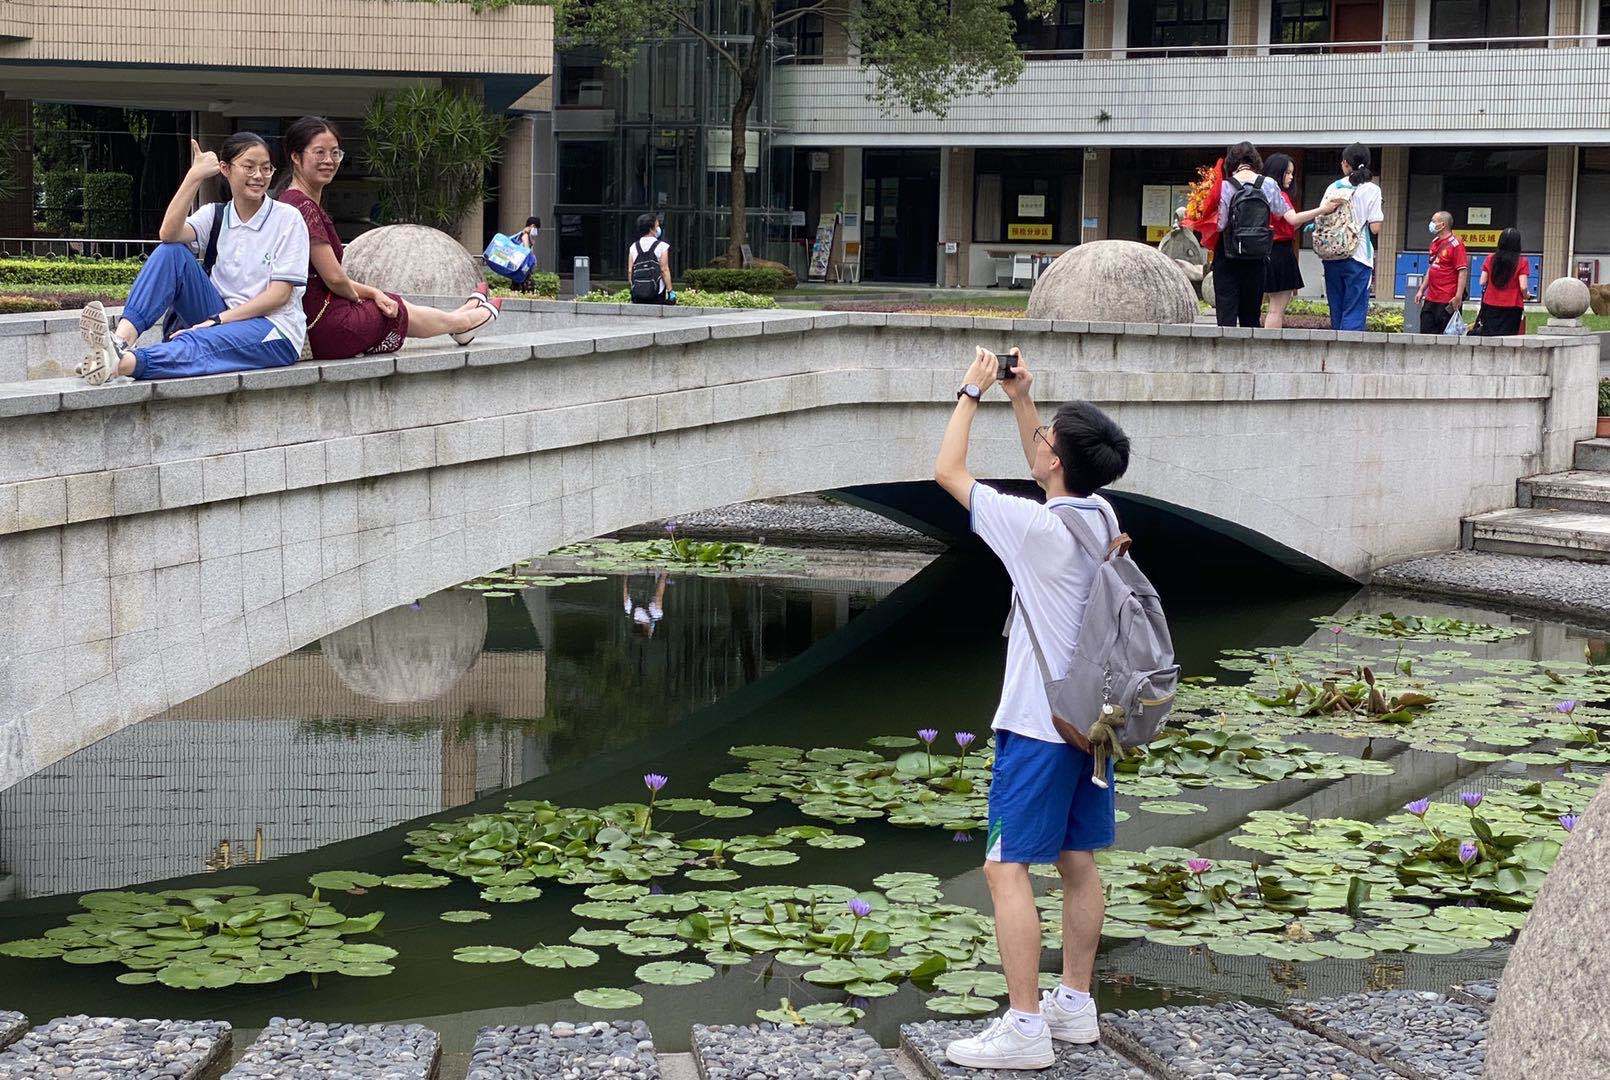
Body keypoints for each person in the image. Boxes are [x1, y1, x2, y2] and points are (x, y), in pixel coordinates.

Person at [934, 346, 1131, 1071]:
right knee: (1076, 858)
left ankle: (1024, 1027)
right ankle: (1073, 1006)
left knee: (1004, 865)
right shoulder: (1095, 513)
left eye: (1047, 439)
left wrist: (973, 390)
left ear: (1056, 464)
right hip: (1095, 721)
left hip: (1036, 723)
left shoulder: (1037, 532)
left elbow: (948, 474)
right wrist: (1025, 404)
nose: (1039, 442)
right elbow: (1053, 476)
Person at [76, 133, 309, 384]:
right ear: (225, 169)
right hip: (218, 313)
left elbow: (279, 295)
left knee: (200, 341)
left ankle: (122, 363)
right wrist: (194, 175)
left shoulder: (287, 218)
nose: (259, 176)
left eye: (266, 168)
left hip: (271, 327)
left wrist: (216, 321)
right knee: (172, 251)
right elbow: (169, 233)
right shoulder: (216, 215)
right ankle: (120, 341)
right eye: (249, 167)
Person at [276, 116, 499, 361]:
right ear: (296, 157)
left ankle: (460, 322)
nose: (329, 161)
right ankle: (463, 322)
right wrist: (370, 295)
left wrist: (372, 294)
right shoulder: (301, 206)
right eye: (319, 153)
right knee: (390, 308)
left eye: (335, 152)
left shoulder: (291, 201)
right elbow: (334, 278)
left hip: (314, 314)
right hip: (322, 325)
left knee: (389, 301)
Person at [1211, 142, 1338, 328]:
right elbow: (1288, 216)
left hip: (1228, 254)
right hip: (1257, 255)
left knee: (1226, 314)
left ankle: (1224, 355)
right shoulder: (1268, 184)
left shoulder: (1222, 186)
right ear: (1255, 161)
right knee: (1251, 315)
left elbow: (1220, 224)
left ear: (1231, 162)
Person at [1318, 144, 1384, 332]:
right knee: (1354, 309)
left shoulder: (1334, 187)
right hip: (1359, 256)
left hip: (1332, 254)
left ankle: (1335, 355)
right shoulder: (1372, 189)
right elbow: (1375, 228)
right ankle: (1350, 357)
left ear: (1346, 164)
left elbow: (1322, 217)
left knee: (1336, 309)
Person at [1262, 153, 1305, 328]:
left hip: (1267, 249)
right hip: (1282, 253)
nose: (1291, 177)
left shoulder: (1262, 193)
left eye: (1292, 173)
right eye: (1287, 173)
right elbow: (1293, 220)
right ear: (1277, 173)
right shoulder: (1279, 195)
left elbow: (1289, 225)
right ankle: (1270, 347)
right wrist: (1322, 210)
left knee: (1272, 307)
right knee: (1276, 310)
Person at [1415, 211, 1468, 335]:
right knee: (1426, 333)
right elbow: (1431, 267)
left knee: (1446, 337)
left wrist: (1458, 296)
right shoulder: (1434, 243)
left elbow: (1462, 271)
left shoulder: (1456, 244)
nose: (1431, 224)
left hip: (1447, 300)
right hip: (1431, 298)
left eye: (1434, 221)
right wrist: (1422, 289)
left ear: (1442, 224)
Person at [1472, 227, 1529, 337]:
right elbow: (1523, 286)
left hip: (1490, 304)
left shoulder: (1490, 258)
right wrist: (1526, 295)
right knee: (1508, 339)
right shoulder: (1522, 261)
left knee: (1489, 337)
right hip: (1513, 306)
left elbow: (1482, 281)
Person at [627, 213, 675, 305]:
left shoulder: (633, 246)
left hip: (638, 291)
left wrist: (635, 287)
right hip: (657, 292)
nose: (658, 228)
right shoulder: (662, 246)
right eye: (657, 226)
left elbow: (630, 270)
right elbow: (664, 270)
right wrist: (670, 290)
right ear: (651, 228)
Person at [624, 572, 669, 638]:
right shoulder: (629, 611)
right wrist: (626, 573)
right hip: (634, 573)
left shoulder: (656, 614)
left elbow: (659, 595)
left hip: (651, 573)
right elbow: (625, 589)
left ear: (646, 630)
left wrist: (663, 575)